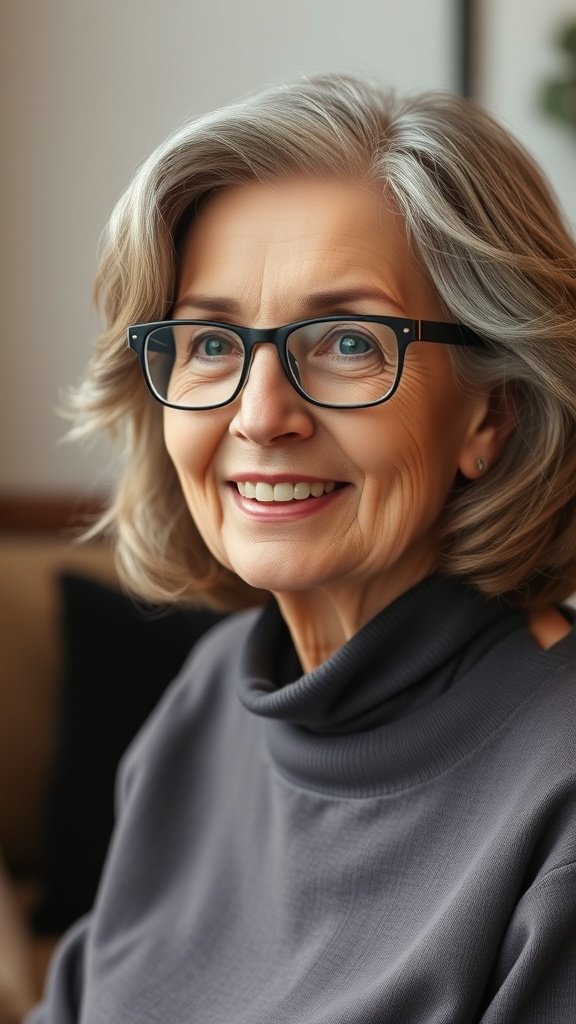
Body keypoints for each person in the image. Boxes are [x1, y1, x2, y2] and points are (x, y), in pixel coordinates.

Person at [27, 72, 576, 1023]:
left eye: (349, 343)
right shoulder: (208, 700)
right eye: (209, 341)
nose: (260, 414)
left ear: (493, 411)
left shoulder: (559, 788)